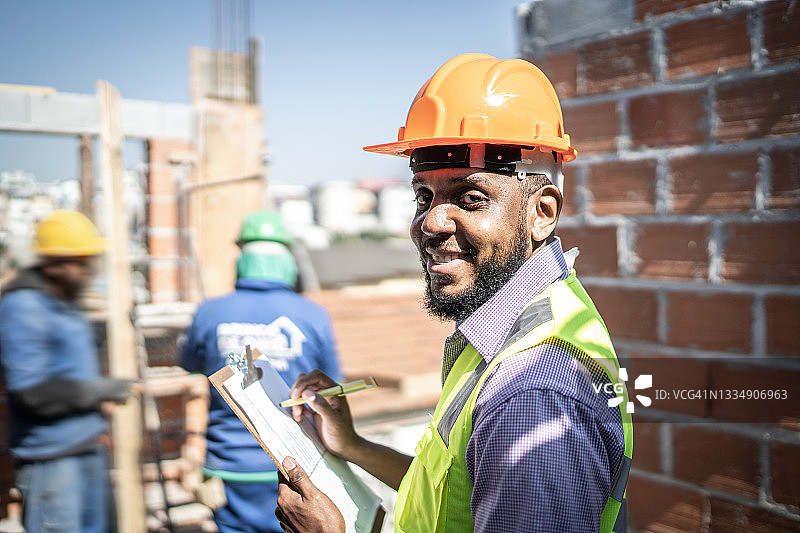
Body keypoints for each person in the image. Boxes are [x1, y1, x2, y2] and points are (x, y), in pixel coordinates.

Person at [276, 53, 633, 533]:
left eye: (470, 198)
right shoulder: (516, 325)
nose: (432, 222)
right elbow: (459, 497)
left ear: (542, 213)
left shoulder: (531, 399)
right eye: (424, 196)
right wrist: (352, 446)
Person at [180, 210, 341, 533]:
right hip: (295, 466)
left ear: (242, 257)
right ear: (287, 259)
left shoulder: (209, 312)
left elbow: (190, 368)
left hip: (230, 465)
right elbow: (333, 390)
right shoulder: (313, 315)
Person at [0, 210, 134, 533]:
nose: (88, 271)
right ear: (52, 265)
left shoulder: (64, 300)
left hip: (85, 450)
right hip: (52, 462)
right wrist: (104, 390)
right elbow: (32, 391)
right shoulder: (23, 306)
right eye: (80, 263)